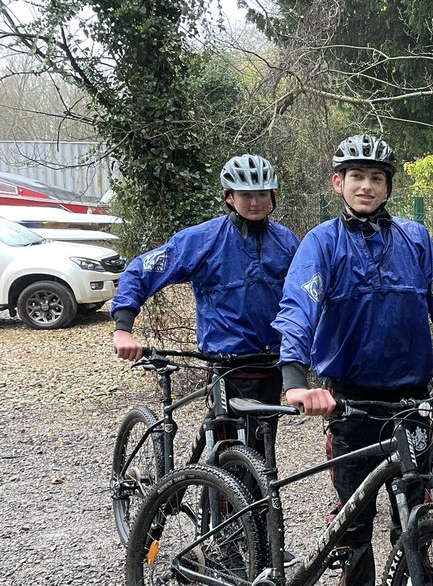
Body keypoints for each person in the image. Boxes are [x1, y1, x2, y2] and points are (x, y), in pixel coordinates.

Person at [273, 133, 433, 586]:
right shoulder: (321, 242)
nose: (366, 185)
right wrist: (296, 379)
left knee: (417, 506)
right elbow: (298, 308)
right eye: (356, 177)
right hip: (348, 402)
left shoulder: (416, 239)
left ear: (388, 186)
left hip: (410, 398)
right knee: (354, 512)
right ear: (338, 183)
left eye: (376, 178)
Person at [111, 154, 300, 464]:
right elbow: (141, 271)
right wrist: (123, 328)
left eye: (262, 194)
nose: (255, 202)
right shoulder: (203, 240)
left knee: (263, 452)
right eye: (246, 195)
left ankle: (254, 508)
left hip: (270, 365)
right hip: (226, 365)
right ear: (229, 197)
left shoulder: (287, 242)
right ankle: (222, 505)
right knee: (230, 452)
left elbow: (306, 298)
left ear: (273, 196)